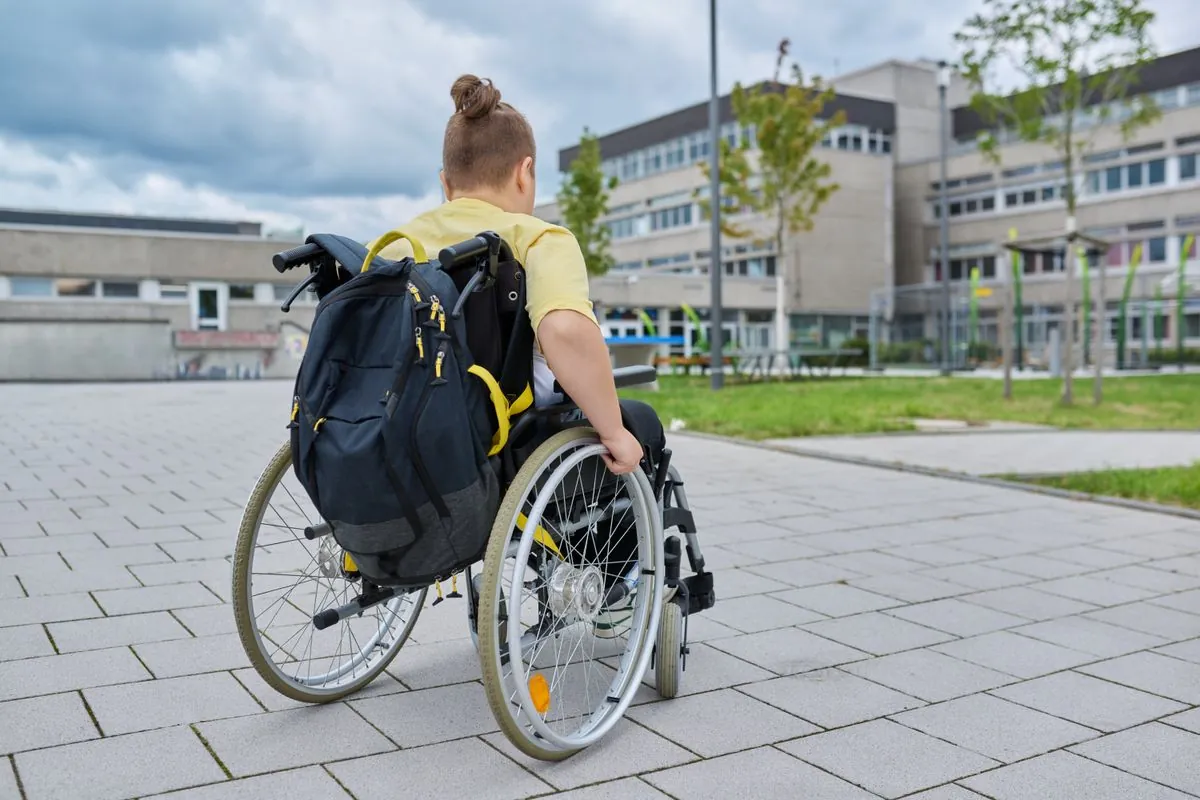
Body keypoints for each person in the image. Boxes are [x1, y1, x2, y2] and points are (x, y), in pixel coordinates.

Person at [371, 74, 664, 476]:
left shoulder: (390, 247)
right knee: (643, 425)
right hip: (500, 438)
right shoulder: (537, 238)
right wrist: (614, 432)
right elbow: (563, 331)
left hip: (396, 429)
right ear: (525, 172)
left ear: (445, 182)